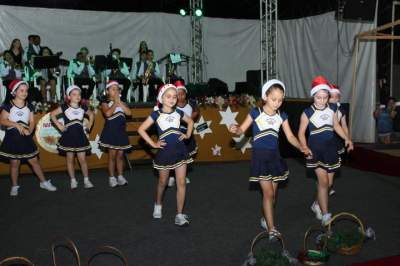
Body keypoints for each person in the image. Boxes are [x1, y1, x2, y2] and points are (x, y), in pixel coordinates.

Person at [229, 79, 308, 239]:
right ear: (265, 97)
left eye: (280, 100)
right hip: (260, 159)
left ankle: (266, 217)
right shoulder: (255, 113)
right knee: (268, 193)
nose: (277, 103)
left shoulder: (282, 116)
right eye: (274, 99)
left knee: (273, 195)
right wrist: (235, 129)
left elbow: (291, 136)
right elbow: (241, 130)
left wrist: (301, 146)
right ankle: (271, 229)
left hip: (275, 158)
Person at [298, 76, 353, 226]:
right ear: (313, 96)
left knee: (328, 184)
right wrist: (304, 146)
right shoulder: (307, 113)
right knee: (322, 182)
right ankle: (325, 214)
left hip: (330, 150)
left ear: (328, 96)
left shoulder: (332, 109)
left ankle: (317, 204)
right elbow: (301, 133)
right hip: (315, 151)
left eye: (324, 97)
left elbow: (336, 126)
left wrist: (347, 138)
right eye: (318, 97)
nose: (321, 100)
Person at [138, 84, 194, 226]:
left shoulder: (178, 113)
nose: (172, 99)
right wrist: (153, 144)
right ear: (161, 98)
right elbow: (141, 129)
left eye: (174, 96)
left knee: (181, 183)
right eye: (168, 96)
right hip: (165, 153)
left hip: (180, 151)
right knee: (163, 182)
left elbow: (191, 121)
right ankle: (158, 204)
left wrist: (187, 134)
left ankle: (179, 215)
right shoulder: (156, 114)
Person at [0, 80, 57, 196]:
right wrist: (16, 125)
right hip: (13, 139)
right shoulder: (8, 106)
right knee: (15, 163)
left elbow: (31, 121)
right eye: (21, 90)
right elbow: (2, 120)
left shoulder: (29, 106)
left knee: (34, 161)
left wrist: (30, 130)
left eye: (26, 90)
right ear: (14, 92)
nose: (24, 93)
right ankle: (15, 186)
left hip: (25, 139)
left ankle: (43, 182)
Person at [51, 85, 95, 189]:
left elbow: (92, 114)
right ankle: (73, 180)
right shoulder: (64, 107)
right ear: (69, 97)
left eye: (79, 94)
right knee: (70, 160)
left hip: (80, 137)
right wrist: (59, 125)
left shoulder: (83, 107)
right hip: (68, 137)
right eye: (74, 94)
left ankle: (86, 180)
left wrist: (89, 124)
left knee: (82, 160)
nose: (77, 96)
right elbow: (52, 114)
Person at [99, 80, 132, 187]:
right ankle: (112, 177)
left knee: (120, 156)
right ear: (107, 91)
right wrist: (115, 103)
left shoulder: (122, 103)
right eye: (113, 89)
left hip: (121, 133)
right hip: (111, 133)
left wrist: (119, 102)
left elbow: (129, 113)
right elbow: (108, 113)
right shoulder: (105, 103)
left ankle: (121, 176)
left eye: (117, 89)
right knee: (112, 156)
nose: (115, 91)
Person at [168, 80, 199, 187]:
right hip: (176, 134)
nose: (181, 96)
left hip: (187, 133)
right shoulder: (172, 105)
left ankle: (182, 175)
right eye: (178, 94)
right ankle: (172, 176)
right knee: (175, 155)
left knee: (185, 156)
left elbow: (196, 111)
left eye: (183, 94)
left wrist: (190, 118)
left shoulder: (190, 103)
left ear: (185, 94)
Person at [327, 84, 349, 196]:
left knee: (333, 166)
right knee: (326, 165)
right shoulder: (325, 109)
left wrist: (347, 138)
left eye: (337, 96)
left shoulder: (342, 110)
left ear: (339, 97)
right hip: (326, 140)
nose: (334, 99)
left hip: (336, 140)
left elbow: (344, 125)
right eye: (332, 96)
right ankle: (326, 185)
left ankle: (328, 185)